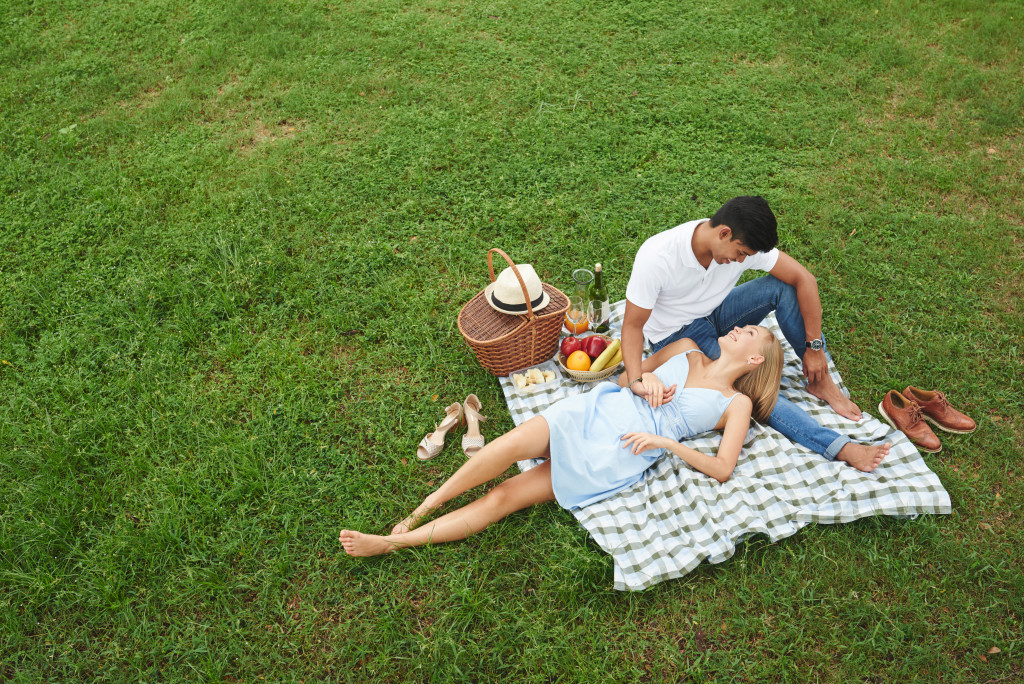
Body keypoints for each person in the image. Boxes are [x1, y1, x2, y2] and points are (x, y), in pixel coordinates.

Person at [340, 325, 794, 557]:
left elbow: (722, 469)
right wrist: (644, 380)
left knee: (506, 496)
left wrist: (665, 443)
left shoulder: (736, 405)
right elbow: (626, 374)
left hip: (621, 448)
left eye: (748, 333)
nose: (737, 329)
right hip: (599, 409)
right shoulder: (687, 347)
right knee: (503, 448)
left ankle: (394, 542)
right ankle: (420, 509)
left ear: (754, 357)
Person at [621, 196, 890, 473]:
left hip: (714, 312)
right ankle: (840, 447)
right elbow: (631, 326)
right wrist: (636, 379)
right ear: (724, 233)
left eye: (746, 257)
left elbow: (804, 279)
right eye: (741, 254)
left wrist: (814, 348)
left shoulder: (737, 241)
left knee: (782, 286)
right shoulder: (658, 256)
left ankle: (819, 381)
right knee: (752, 384)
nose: (741, 261)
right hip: (677, 335)